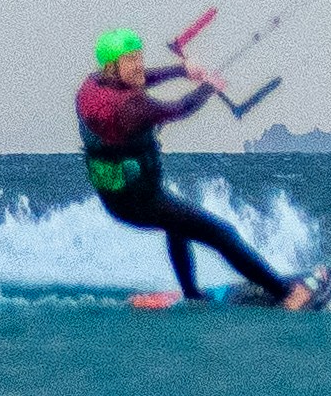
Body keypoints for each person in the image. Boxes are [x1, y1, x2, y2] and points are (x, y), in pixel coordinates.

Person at [75, 29, 304, 302]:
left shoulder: (94, 86)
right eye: (130, 60)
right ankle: (286, 294)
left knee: (177, 226)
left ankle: (192, 295)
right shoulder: (127, 108)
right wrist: (210, 86)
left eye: (138, 57)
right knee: (222, 234)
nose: (138, 65)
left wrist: (181, 70)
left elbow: (139, 79)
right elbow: (179, 108)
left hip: (123, 195)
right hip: (138, 201)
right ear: (113, 66)